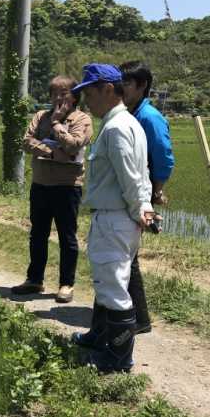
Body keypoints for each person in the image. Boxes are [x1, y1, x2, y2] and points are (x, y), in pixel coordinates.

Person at [70, 63, 156, 373]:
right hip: (119, 218)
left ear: (108, 89)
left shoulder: (118, 127)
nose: (86, 102)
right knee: (108, 281)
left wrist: (139, 210)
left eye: (89, 93)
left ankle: (117, 360)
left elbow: (131, 177)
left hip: (114, 218)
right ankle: (99, 338)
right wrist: (143, 209)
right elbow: (141, 176)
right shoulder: (125, 122)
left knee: (115, 290)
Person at [12, 76, 93, 304]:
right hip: (40, 184)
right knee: (38, 234)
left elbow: (74, 145)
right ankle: (34, 279)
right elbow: (26, 141)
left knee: (67, 237)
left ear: (75, 96)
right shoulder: (40, 116)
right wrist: (52, 152)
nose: (58, 98)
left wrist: (57, 124)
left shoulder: (81, 119)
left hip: (67, 187)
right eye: (54, 93)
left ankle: (66, 284)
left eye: (64, 93)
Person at [120, 60, 175, 334]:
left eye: (127, 83)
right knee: (126, 252)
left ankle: (139, 317)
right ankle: (130, 313)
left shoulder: (149, 117)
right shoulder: (131, 113)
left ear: (142, 86)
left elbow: (163, 156)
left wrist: (157, 190)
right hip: (133, 191)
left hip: (142, 192)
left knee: (128, 253)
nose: (122, 88)